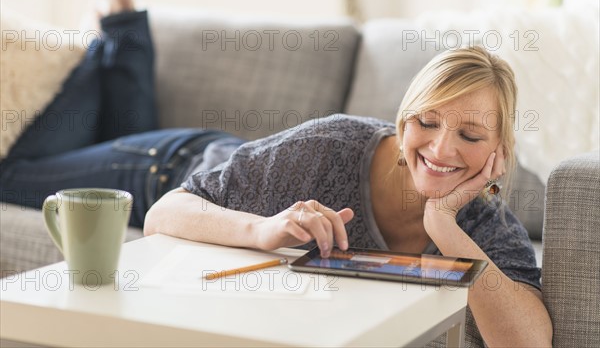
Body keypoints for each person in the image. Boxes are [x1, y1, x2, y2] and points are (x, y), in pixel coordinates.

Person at [143, 46, 553, 346]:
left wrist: (442, 223)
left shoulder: (488, 226)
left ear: (499, 150)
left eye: (470, 135)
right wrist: (263, 229)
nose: (442, 149)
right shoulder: (328, 147)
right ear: (405, 120)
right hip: (163, 162)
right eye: (427, 122)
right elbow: (162, 213)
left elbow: (528, 344)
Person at [0, 0, 244, 228]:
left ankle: (117, 26)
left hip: (200, 158)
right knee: (8, 179)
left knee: (117, 132)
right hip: (181, 171)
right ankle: (106, 35)